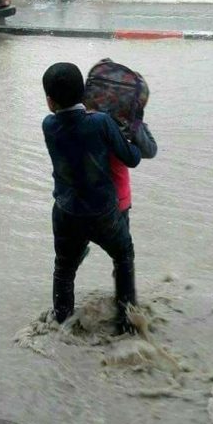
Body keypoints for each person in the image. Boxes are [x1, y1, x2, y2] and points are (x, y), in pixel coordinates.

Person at [41, 62, 142, 334]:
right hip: (103, 213)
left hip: (65, 211)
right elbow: (132, 158)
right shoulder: (100, 122)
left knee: (64, 268)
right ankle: (127, 322)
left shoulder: (48, 125)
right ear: (84, 94)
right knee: (123, 256)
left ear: (50, 102)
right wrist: (131, 132)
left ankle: (62, 323)